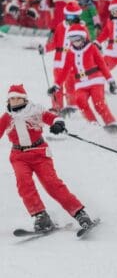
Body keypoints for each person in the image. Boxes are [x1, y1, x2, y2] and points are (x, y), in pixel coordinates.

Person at [0, 84, 95, 232]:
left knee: (52, 184)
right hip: (19, 156)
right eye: (12, 99)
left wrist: (58, 125)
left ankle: (79, 213)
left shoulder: (35, 111)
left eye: (18, 98)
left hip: (39, 153)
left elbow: (53, 118)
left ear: (25, 99)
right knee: (24, 184)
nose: (15, 101)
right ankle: (41, 216)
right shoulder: (7, 117)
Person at [61, 23, 117, 133]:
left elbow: (102, 64)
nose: (75, 43)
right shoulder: (70, 52)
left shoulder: (91, 48)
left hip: (95, 80)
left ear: (83, 38)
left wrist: (110, 80)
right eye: (72, 40)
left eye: (77, 39)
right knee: (80, 100)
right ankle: (93, 124)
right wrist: (56, 84)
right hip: (80, 83)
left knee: (98, 102)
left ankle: (111, 123)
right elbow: (65, 70)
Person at [44, 1, 83, 114]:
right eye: (68, 16)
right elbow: (55, 43)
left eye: (73, 16)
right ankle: (57, 107)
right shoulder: (60, 26)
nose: (70, 19)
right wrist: (45, 48)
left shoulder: (80, 28)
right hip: (59, 61)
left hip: (72, 62)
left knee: (71, 85)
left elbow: (86, 44)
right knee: (57, 85)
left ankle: (72, 106)